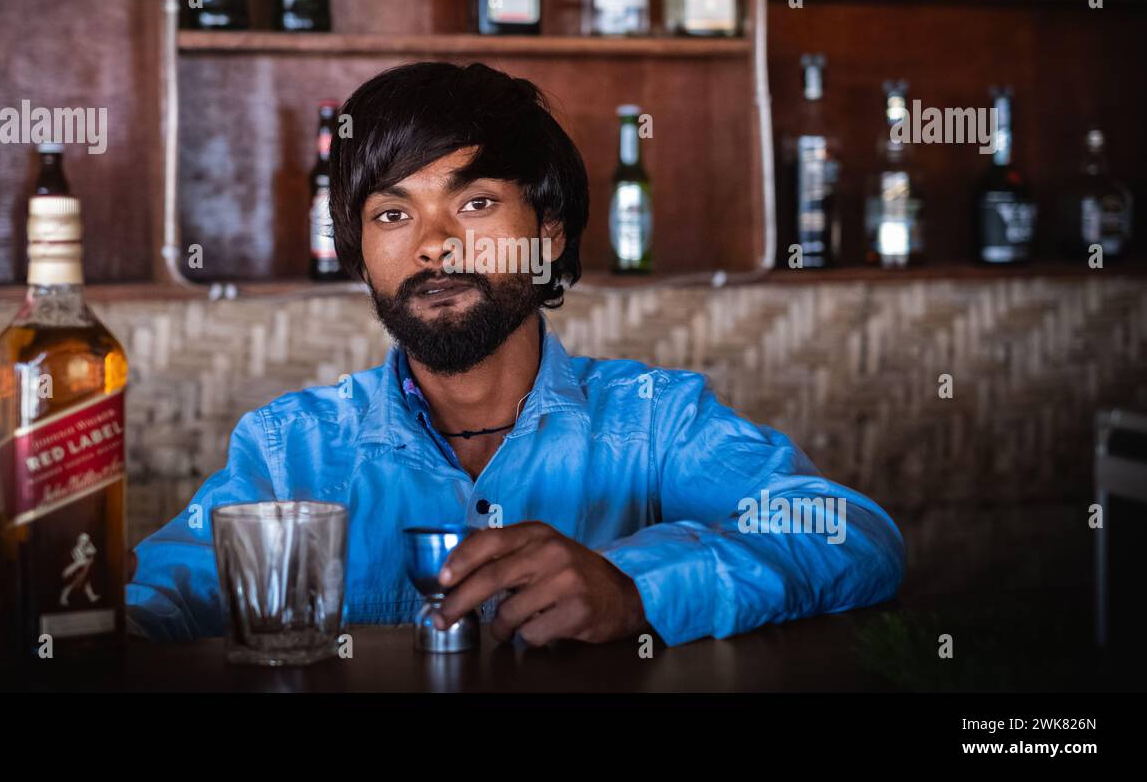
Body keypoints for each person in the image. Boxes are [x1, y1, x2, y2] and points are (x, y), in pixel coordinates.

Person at [126, 61, 905, 647]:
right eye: (393, 212)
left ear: (550, 233)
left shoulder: (656, 424)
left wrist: (637, 587)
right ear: (360, 256)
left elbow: (850, 533)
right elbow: (158, 600)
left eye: (474, 202)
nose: (433, 244)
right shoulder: (288, 451)